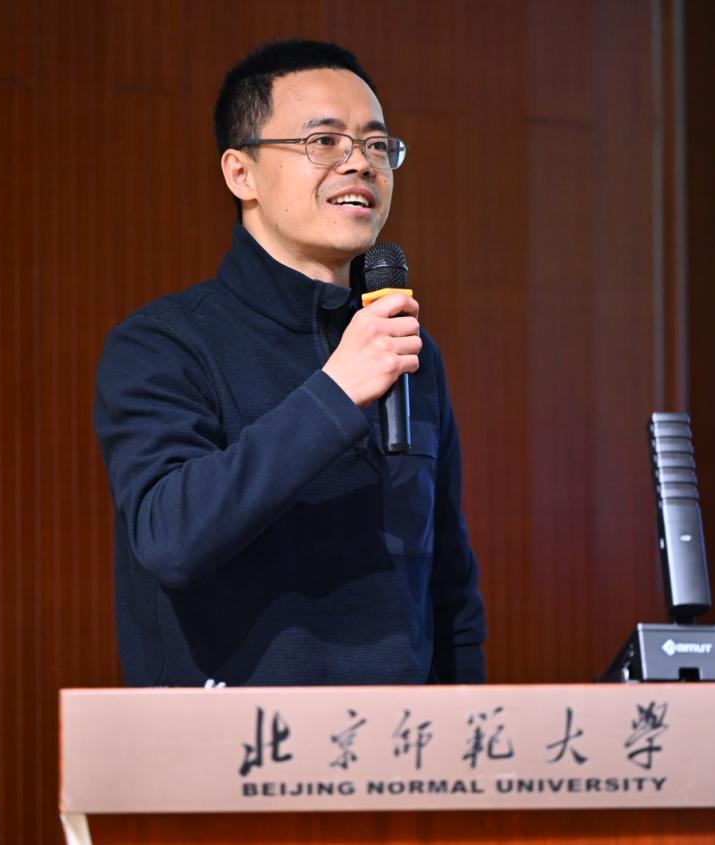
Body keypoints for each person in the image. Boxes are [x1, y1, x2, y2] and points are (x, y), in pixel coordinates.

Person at [93, 40, 485, 687]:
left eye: (377, 145)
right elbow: (171, 539)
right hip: (230, 740)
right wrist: (336, 392)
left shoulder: (403, 346)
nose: (359, 163)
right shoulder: (162, 343)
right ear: (240, 173)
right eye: (324, 141)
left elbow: (448, 586)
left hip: (399, 741)